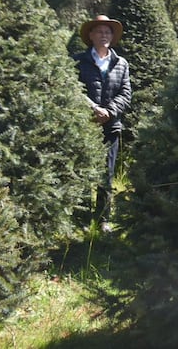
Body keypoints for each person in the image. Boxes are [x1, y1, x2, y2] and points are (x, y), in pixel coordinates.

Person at [73, 15, 132, 231]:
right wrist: (93, 108)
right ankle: (79, 221)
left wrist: (109, 111)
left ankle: (103, 220)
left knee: (106, 175)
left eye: (108, 32)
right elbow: (73, 88)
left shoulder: (121, 63)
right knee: (80, 171)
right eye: (99, 31)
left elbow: (126, 94)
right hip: (84, 125)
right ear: (90, 35)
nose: (104, 35)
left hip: (110, 126)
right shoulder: (78, 60)